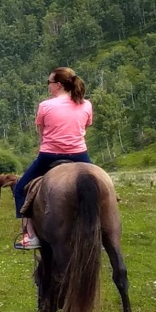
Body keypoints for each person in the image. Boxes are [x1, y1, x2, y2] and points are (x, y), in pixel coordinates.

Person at [13, 67, 94, 251]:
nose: (48, 86)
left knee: (19, 189)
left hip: (49, 155)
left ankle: (30, 236)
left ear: (57, 85)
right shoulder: (86, 104)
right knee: (102, 187)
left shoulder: (45, 106)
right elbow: (85, 126)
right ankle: (99, 232)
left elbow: (42, 133)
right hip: (79, 154)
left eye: (49, 83)